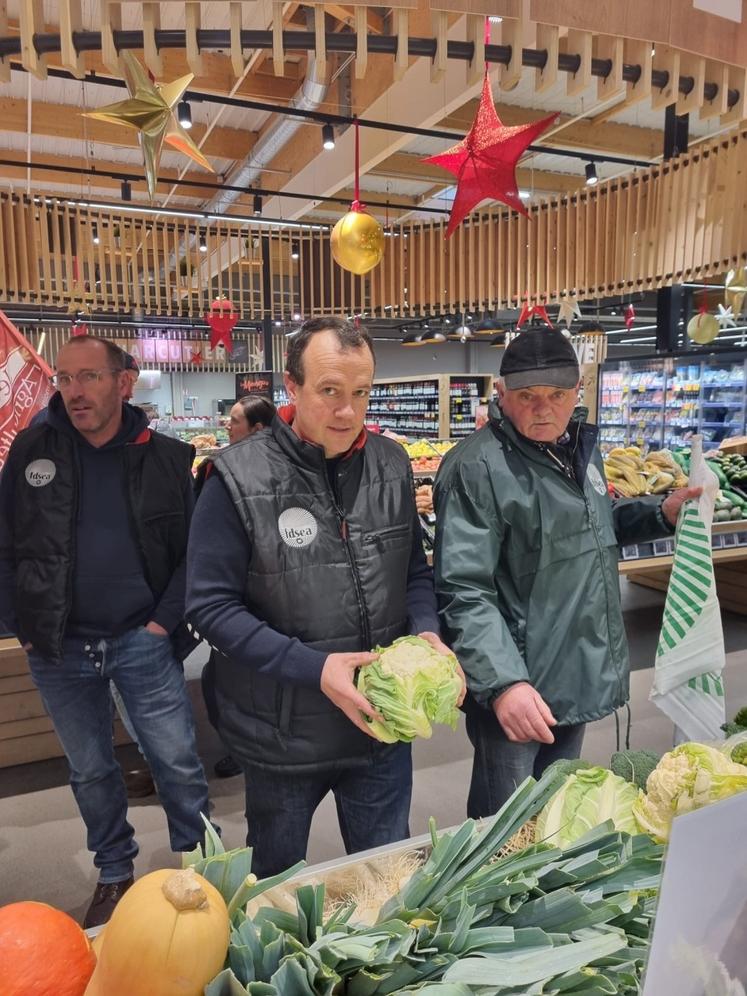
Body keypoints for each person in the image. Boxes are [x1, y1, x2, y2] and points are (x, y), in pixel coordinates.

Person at [186, 317, 463, 878]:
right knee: (278, 894)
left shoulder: (391, 463)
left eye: (360, 393)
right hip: (282, 735)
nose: (347, 411)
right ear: (292, 387)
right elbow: (209, 607)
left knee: (390, 883)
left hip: (380, 730)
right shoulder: (235, 478)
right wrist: (315, 669)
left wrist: (427, 628)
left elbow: (412, 567)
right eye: (330, 391)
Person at [433, 327, 700, 818]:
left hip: (575, 671)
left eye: (557, 394)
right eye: (528, 396)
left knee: (557, 818)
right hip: (519, 687)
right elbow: (464, 590)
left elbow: (591, 527)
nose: (543, 408)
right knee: (504, 834)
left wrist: (660, 513)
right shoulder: (476, 468)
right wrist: (503, 684)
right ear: (502, 395)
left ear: (578, 392)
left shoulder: (579, 449)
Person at [0, 335, 210, 927]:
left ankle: (202, 860)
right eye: (64, 379)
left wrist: (160, 625)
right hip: (58, 646)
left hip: (140, 641)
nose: (73, 391)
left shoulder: (168, 458)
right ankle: (115, 869)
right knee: (90, 768)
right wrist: (22, 623)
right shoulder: (31, 449)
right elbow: (7, 543)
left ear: (125, 381)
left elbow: (193, 554)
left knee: (175, 760)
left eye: (88, 377)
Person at [198, 393, 277, 779]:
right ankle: (240, 747)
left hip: (264, 610)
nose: (226, 426)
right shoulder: (221, 474)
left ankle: (246, 751)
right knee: (222, 685)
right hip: (234, 611)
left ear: (257, 429)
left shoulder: (275, 473)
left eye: (234, 421)